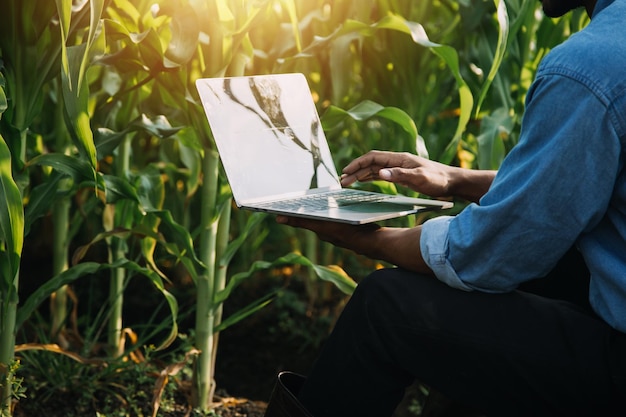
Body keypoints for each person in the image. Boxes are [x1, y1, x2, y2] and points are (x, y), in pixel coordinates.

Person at [263, 0, 626, 415]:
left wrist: (367, 239)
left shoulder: (590, 67)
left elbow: (494, 253)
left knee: (385, 307)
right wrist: (455, 179)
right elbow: (574, 189)